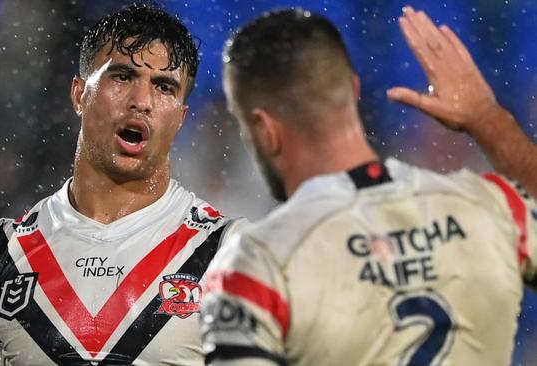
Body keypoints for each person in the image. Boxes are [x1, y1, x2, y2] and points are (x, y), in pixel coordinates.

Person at [200, 6, 537, 365]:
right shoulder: (492, 209)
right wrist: (487, 117)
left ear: (265, 130)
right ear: (355, 89)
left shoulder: (260, 264)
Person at [0, 3, 243, 365]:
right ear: (78, 94)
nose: (141, 102)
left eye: (164, 87)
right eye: (122, 77)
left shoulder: (232, 256)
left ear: (180, 117)